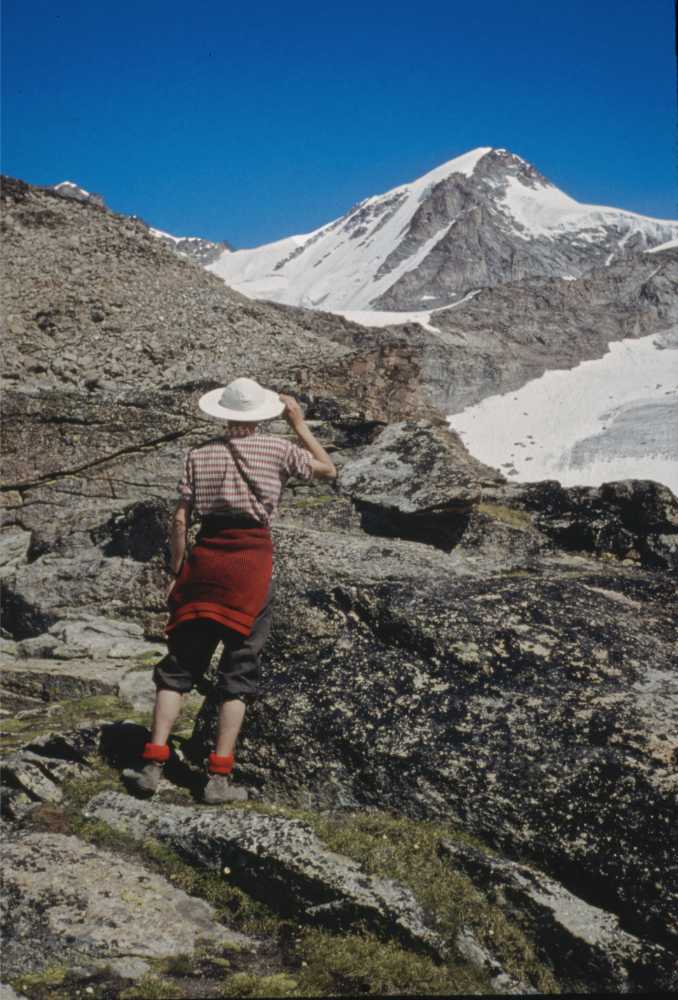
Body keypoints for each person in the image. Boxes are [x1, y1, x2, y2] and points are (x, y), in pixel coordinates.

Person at [123, 377, 336, 803]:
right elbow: (328, 470)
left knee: (179, 668)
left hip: (204, 563)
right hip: (250, 565)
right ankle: (218, 778)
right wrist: (299, 425)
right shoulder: (278, 449)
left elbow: (181, 521)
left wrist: (177, 571)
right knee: (238, 671)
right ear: (261, 415)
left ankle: (153, 763)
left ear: (222, 414)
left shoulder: (198, 455)